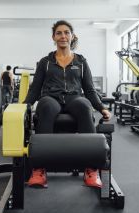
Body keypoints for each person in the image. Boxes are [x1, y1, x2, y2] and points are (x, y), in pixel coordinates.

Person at [24, 20, 111, 188]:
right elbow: (35, 89)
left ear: (72, 36)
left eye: (66, 33)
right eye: (59, 33)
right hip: (51, 97)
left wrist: (101, 107)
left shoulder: (81, 62)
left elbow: (89, 89)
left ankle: (91, 170)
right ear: (53, 37)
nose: (63, 36)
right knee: (47, 107)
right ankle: (39, 169)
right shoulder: (45, 62)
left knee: (85, 107)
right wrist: (23, 106)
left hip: (74, 98)